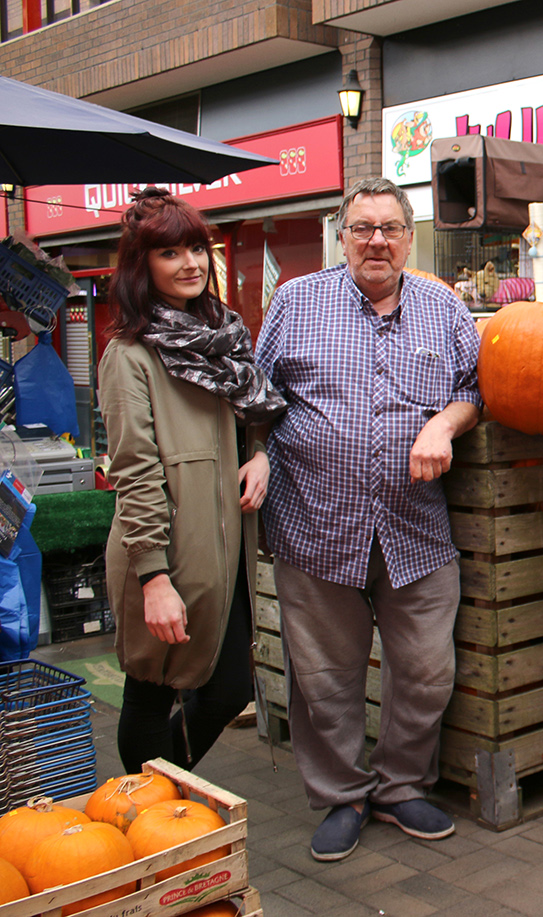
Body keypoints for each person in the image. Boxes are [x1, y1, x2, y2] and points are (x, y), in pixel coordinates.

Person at [256, 177, 481, 861]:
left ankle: (403, 782)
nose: (376, 240)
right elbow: (257, 396)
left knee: (424, 669)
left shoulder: (445, 308)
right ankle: (342, 794)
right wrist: (258, 455)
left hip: (415, 530)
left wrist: (445, 421)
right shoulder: (296, 302)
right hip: (315, 524)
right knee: (325, 675)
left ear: (410, 237)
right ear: (342, 236)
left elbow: (472, 387)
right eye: (362, 228)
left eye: (389, 227)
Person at [99, 187, 286, 774]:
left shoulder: (223, 339)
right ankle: (151, 816)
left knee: (229, 690)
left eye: (197, 249)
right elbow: (134, 470)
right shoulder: (130, 356)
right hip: (166, 554)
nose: (191, 264)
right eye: (170, 254)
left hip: (225, 549)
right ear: (142, 267)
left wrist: (259, 454)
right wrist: (153, 577)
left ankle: (160, 791)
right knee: (152, 688)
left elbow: (248, 421)